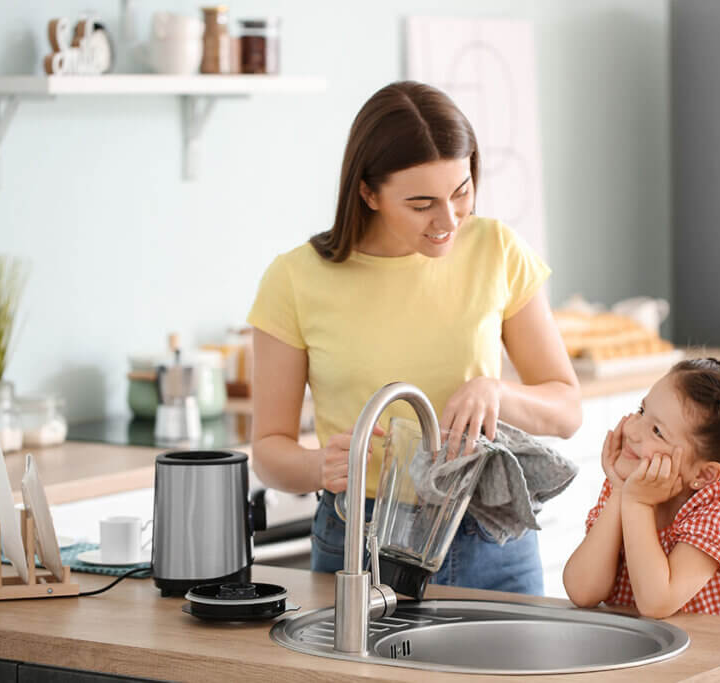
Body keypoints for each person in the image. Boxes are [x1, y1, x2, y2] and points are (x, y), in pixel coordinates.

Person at [247, 81, 582, 595]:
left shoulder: (498, 250)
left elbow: (565, 409)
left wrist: (497, 392)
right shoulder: (295, 279)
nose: (447, 221)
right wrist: (319, 465)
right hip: (358, 540)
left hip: (492, 537)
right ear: (368, 193)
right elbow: (269, 450)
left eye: (461, 192)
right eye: (422, 203)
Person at [563, 357, 720, 619]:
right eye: (641, 411)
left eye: (657, 431)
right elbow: (583, 591)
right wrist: (619, 491)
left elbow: (657, 602)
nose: (632, 430)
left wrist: (637, 504)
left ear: (704, 474)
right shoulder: (629, 487)